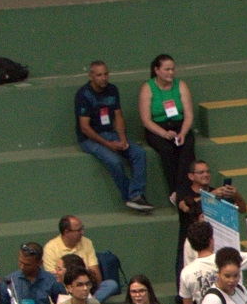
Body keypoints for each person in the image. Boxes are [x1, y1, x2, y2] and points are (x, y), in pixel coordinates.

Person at [75, 61, 153, 211]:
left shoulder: (112, 90)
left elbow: (118, 116)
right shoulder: (83, 95)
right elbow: (84, 127)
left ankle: (136, 195)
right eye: (99, 75)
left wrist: (122, 139)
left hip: (110, 133)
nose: (103, 78)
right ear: (91, 76)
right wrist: (108, 144)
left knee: (138, 153)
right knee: (114, 161)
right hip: (90, 139)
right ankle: (129, 197)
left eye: (105, 74)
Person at [138, 54, 195, 213]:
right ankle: (175, 192)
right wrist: (164, 134)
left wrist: (182, 132)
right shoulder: (148, 88)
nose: (171, 73)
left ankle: (187, 190)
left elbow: (189, 115)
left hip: (179, 125)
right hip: (158, 128)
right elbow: (146, 120)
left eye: (172, 69)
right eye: (167, 69)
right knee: (168, 150)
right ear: (156, 70)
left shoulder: (181, 85)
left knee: (187, 148)